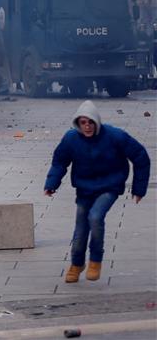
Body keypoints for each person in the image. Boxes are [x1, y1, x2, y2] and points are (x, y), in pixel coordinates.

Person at [44, 100, 150, 283]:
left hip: (110, 186)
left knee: (95, 217)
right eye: (83, 123)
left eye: (90, 122)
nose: (87, 127)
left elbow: (140, 157)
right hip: (84, 188)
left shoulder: (115, 136)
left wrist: (139, 188)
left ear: (97, 122)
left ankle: (95, 260)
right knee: (80, 230)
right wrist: (51, 183)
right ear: (78, 124)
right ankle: (77, 264)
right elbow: (60, 161)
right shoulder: (71, 138)